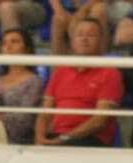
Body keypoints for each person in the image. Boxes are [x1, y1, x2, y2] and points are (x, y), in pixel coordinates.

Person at [35, 16, 122, 146]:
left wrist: (64, 138)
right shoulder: (61, 71)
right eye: (79, 35)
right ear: (72, 41)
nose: (84, 39)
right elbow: (45, 112)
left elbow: (99, 121)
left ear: (101, 41)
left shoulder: (110, 73)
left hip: (89, 138)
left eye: (91, 35)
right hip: (57, 136)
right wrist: (40, 136)